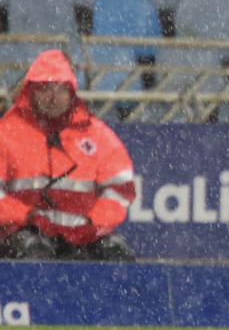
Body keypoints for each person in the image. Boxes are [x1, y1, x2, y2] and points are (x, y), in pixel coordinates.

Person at [0, 49, 137, 261]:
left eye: (60, 89)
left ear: (72, 92)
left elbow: (120, 187)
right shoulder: (6, 133)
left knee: (115, 254)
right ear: (31, 91)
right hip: (19, 234)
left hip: (84, 238)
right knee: (35, 253)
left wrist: (93, 223)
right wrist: (25, 217)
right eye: (45, 88)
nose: (52, 97)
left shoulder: (97, 134)